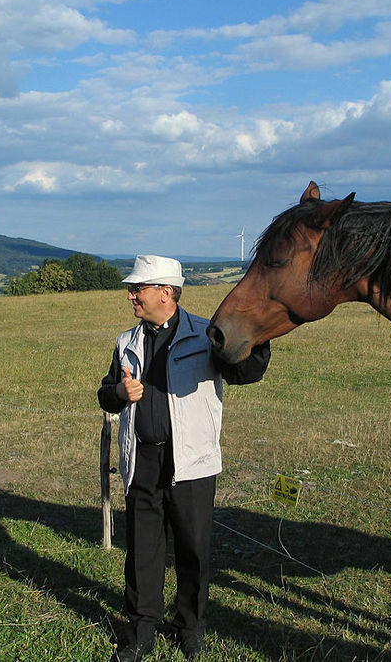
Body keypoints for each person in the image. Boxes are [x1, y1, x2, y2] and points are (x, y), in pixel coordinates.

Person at [97, 255, 270, 661]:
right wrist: (120, 395)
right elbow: (106, 393)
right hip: (142, 461)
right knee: (143, 550)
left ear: (165, 292)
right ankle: (141, 631)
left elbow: (245, 374)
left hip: (191, 463)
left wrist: (261, 337)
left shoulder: (205, 336)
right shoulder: (127, 342)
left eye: (137, 289)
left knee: (193, 549)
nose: (131, 296)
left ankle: (189, 628)